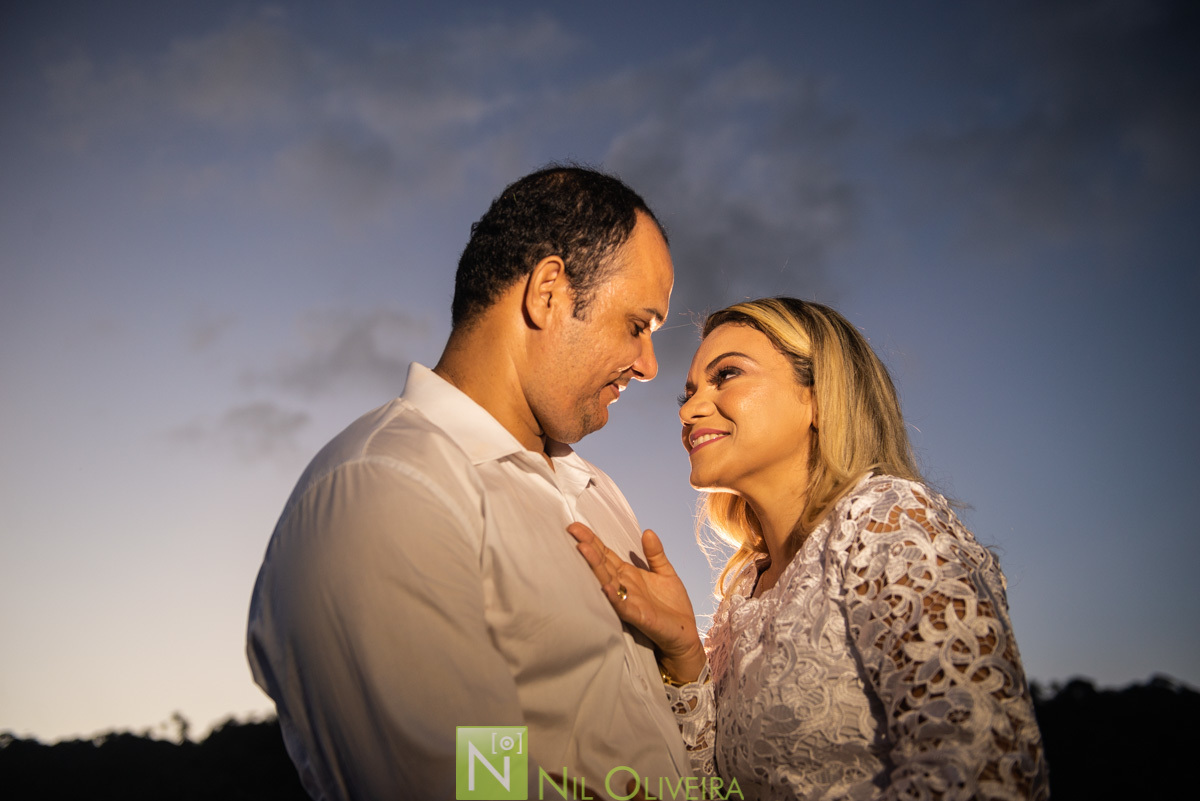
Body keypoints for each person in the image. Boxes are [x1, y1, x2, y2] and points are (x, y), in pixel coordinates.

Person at [246, 166, 690, 800]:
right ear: (548, 293)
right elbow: (469, 786)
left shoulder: (599, 493)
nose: (649, 366)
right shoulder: (386, 489)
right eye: (638, 325)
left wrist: (682, 659)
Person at [570, 297, 1050, 800]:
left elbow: (988, 773)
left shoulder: (887, 521)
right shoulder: (743, 590)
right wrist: (686, 653)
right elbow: (714, 789)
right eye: (687, 395)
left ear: (819, 399)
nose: (688, 411)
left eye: (727, 375)